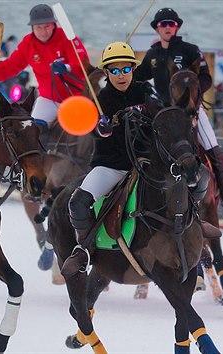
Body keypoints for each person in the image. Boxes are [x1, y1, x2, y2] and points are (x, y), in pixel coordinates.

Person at [61, 42, 163, 275]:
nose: (121, 75)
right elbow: (91, 127)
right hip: (112, 167)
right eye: (114, 71)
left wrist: (147, 112)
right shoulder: (102, 100)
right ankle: (84, 249)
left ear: (133, 70)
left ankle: (193, 227)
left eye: (125, 69)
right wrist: (99, 128)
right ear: (106, 73)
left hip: (147, 165)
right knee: (77, 202)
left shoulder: (145, 92)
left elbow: (161, 114)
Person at [135, 7, 223, 223]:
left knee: (214, 150)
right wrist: (118, 70)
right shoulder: (153, 54)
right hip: (164, 114)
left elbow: (206, 78)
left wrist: (194, 98)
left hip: (190, 111)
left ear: (177, 27)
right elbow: (138, 77)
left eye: (171, 24)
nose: (167, 27)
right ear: (157, 28)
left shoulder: (190, 50)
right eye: (163, 24)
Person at [0, 4, 91, 131]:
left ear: (53, 24)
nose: (43, 32)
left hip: (75, 97)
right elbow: (9, 67)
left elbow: (83, 64)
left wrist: (66, 67)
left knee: (83, 134)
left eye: (47, 27)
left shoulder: (68, 38)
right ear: (32, 27)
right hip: (49, 99)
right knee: (33, 131)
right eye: (39, 27)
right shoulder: (28, 44)